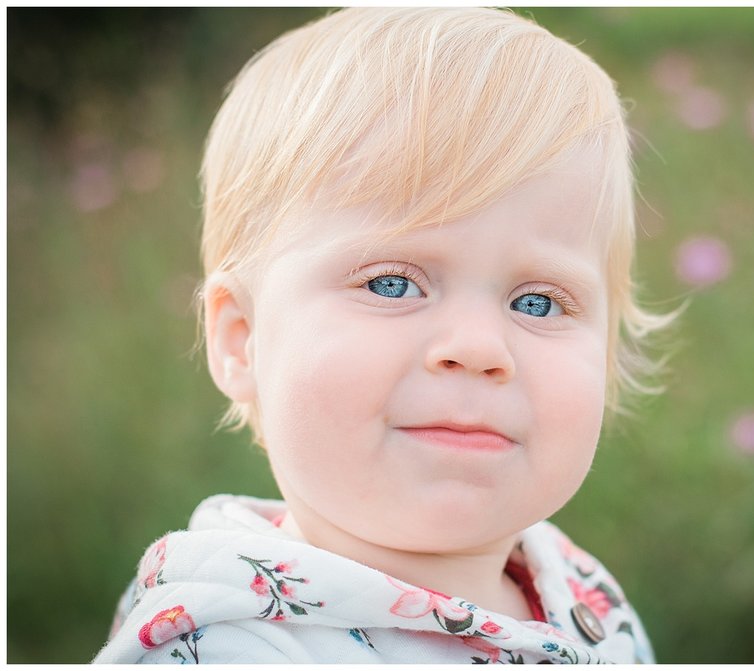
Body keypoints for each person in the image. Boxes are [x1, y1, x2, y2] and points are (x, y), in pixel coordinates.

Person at [93, 7, 674, 664]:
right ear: (242, 338)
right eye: (392, 283)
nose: (480, 347)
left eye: (538, 300)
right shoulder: (235, 645)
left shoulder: (579, 591)